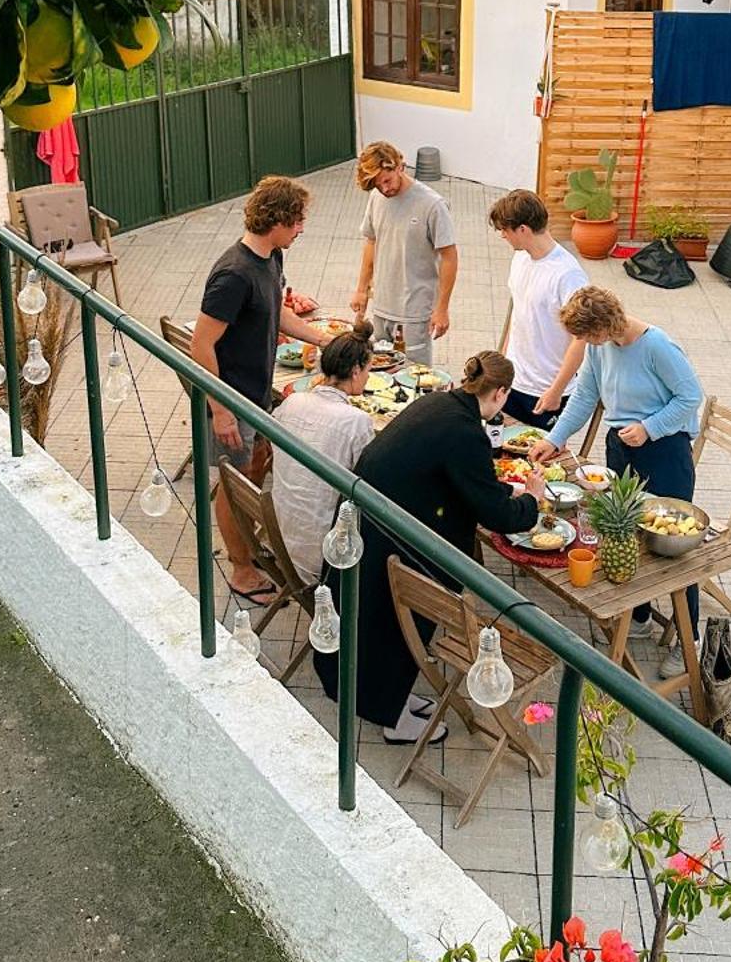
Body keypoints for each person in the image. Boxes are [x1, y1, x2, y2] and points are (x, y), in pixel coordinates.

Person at [312, 351, 547, 743]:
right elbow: (496, 514)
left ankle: (384, 698)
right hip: (391, 535)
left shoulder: (438, 402)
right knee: (392, 624)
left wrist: (507, 492)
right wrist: (531, 502)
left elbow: (459, 479)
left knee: (370, 619)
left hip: (367, 515)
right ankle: (390, 715)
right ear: (501, 392)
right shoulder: (467, 431)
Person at [533, 286, 704, 632]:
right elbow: (584, 395)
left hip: (664, 451)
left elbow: (690, 397)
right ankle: (638, 617)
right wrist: (555, 438)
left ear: (605, 325)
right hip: (621, 447)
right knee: (625, 532)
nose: (585, 343)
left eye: (587, 335)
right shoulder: (599, 347)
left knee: (670, 546)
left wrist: (649, 428)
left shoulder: (657, 347)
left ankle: (690, 635)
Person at [191, 176, 328, 603]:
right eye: (298, 220)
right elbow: (201, 344)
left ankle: (247, 549)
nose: (302, 228)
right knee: (234, 490)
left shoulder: (272, 257)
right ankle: (241, 571)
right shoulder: (234, 274)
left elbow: (280, 316)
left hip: (256, 395)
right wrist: (220, 409)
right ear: (278, 220)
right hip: (230, 400)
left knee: (252, 477)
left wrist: (325, 340)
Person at [270, 321, 377, 585]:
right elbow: (369, 485)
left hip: (279, 537)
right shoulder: (356, 421)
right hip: (323, 555)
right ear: (355, 371)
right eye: (368, 370)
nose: (367, 377)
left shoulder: (292, 401)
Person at [349, 140, 457, 366]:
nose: (385, 189)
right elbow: (372, 241)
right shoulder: (377, 198)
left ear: (400, 166)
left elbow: (449, 257)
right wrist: (361, 289)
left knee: (414, 376)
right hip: (381, 307)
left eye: (387, 181)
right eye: (378, 185)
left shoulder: (432, 204)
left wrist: (442, 308)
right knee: (381, 371)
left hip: (415, 313)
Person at [489, 188, 586, 430]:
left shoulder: (568, 274)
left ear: (523, 229)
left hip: (546, 392)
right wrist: (501, 368)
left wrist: (556, 391)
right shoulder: (520, 258)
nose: (502, 236)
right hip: (513, 382)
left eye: (505, 229)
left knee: (537, 461)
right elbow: (518, 315)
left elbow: (580, 340)